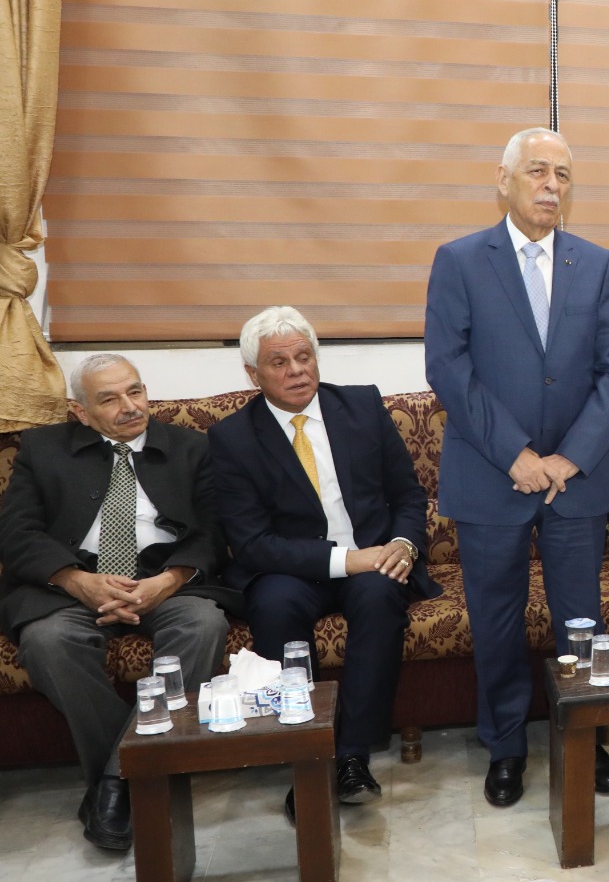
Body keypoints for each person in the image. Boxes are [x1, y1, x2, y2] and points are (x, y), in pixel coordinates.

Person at [425, 127, 609, 807]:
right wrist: (515, 454)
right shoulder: (460, 260)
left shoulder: (595, 263)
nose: (551, 185)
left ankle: (586, 736)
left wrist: (569, 457)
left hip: (575, 479)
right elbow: (448, 369)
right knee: (496, 621)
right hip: (491, 475)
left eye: (562, 175)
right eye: (538, 171)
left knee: (582, 621)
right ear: (504, 180)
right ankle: (506, 746)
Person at [209, 307, 440, 821]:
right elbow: (251, 542)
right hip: (288, 570)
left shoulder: (361, 406)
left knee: (380, 596)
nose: (296, 370)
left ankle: (352, 758)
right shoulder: (232, 438)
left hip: (374, 557)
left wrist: (404, 544)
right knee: (274, 607)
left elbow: (408, 494)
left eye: (304, 356)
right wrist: (347, 560)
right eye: (279, 362)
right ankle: (307, 758)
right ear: (253, 374)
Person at [0, 355, 235, 850]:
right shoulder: (42, 449)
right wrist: (75, 580)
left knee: (202, 625)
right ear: (80, 412)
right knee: (48, 641)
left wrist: (168, 581)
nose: (130, 407)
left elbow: (215, 531)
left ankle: (115, 783)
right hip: (72, 581)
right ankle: (138, 776)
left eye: (135, 391)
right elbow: (17, 533)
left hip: (164, 579)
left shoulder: (191, 446)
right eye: (109, 399)